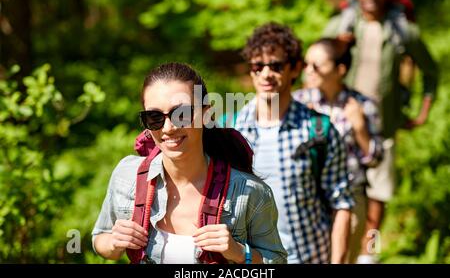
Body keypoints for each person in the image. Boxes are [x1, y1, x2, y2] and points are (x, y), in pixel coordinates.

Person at [91, 62, 287, 264]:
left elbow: (277, 261)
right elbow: (100, 238)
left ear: (206, 114)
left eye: (181, 114)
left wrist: (238, 252)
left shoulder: (251, 192)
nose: (168, 128)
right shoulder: (126, 175)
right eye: (154, 117)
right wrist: (113, 243)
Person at [323, 0, 439, 263]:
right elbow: (316, 64)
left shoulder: (402, 30)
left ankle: (369, 256)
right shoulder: (343, 26)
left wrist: (423, 111)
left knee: (377, 203)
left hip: (383, 129)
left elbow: (430, 70)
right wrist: (339, 46)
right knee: (344, 204)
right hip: (344, 134)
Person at [234, 22, 354, 264]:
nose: (266, 74)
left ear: (295, 68)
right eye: (258, 66)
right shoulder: (232, 131)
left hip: (310, 256)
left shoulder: (319, 130)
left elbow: (341, 203)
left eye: (276, 66)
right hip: (252, 262)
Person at [293, 37, 384, 263]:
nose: (308, 71)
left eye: (317, 65)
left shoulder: (362, 105)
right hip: (308, 198)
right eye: (306, 64)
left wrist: (360, 128)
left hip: (350, 197)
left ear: (340, 69)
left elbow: (376, 158)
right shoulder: (298, 102)